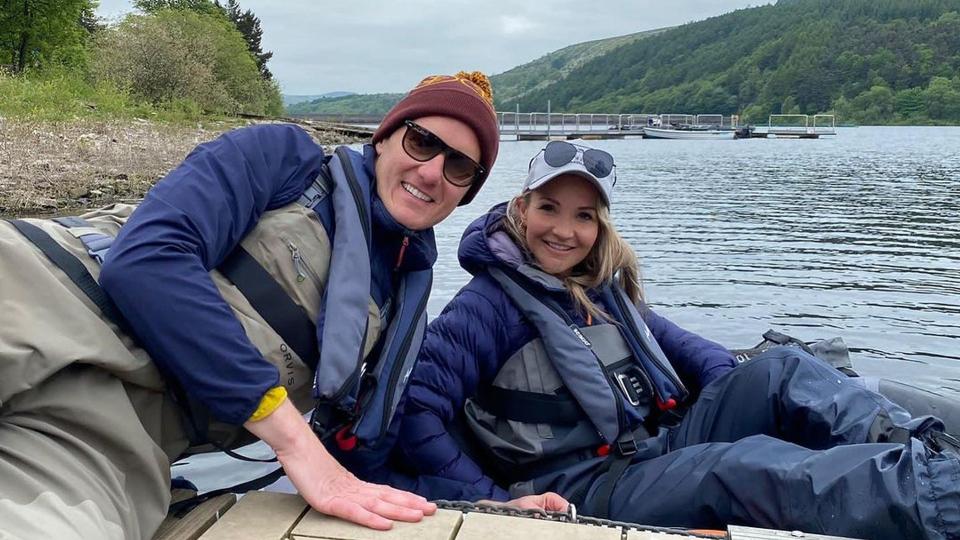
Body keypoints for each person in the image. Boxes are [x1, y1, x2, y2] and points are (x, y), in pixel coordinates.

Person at [0, 71, 500, 539]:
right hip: (39, 300)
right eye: (422, 141)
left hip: (102, 436)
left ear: (466, 192)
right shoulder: (286, 158)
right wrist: (290, 438)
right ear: (385, 136)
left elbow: (369, 460)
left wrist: (494, 507)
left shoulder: (397, 312)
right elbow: (146, 259)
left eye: (458, 166)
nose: (432, 171)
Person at [395, 140, 960, 539]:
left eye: (584, 216)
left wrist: (735, 397)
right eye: (549, 209)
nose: (565, 231)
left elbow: (694, 351)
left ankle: (932, 451)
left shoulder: (599, 293)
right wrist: (494, 501)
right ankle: (940, 500)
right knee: (739, 468)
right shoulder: (486, 308)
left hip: (652, 445)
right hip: (590, 486)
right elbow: (417, 411)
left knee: (779, 369)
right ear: (521, 209)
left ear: (600, 227)